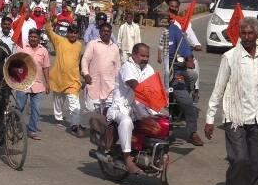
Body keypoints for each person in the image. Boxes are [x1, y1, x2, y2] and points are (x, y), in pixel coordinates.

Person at [205, 17, 258, 185]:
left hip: (257, 119)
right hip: (235, 118)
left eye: (250, 33)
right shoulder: (230, 56)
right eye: (244, 33)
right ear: (239, 34)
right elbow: (218, 88)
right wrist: (210, 118)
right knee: (240, 160)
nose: (247, 37)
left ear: (257, 34)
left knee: (254, 164)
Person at [107, 42, 156, 174]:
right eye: (142, 55)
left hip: (138, 106)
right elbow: (133, 83)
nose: (145, 58)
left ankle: (149, 153)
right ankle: (127, 159)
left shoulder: (148, 68)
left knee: (159, 122)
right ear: (134, 55)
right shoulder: (127, 67)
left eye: (147, 56)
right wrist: (147, 93)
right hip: (120, 107)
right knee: (126, 122)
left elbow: (154, 86)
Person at [167, 18, 203, 147]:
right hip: (162, 76)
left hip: (177, 75)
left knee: (188, 103)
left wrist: (189, 59)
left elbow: (186, 50)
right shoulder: (162, 33)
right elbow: (159, 55)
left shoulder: (176, 31)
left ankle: (192, 132)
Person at [46, 23, 83, 136]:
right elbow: (49, 31)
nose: (73, 35)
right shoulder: (59, 40)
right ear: (67, 33)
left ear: (78, 34)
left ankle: (74, 125)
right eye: (71, 32)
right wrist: (49, 20)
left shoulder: (79, 45)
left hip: (73, 81)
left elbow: (78, 61)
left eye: (75, 33)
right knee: (58, 100)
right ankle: (58, 118)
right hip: (59, 78)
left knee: (75, 104)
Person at [16, 28, 50, 140]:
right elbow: (14, 63)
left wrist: (47, 83)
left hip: (38, 84)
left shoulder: (43, 50)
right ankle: (15, 127)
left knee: (36, 109)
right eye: (31, 36)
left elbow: (45, 68)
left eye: (35, 37)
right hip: (23, 82)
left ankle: (32, 130)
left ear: (39, 38)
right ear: (28, 37)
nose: (33, 39)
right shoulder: (21, 47)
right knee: (19, 107)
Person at [81, 22, 121, 114]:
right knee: (92, 110)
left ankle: (105, 128)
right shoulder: (92, 44)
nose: (106, 33)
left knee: (109, 112)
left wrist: (118, 83)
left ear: (111, 33)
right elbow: (85, 60)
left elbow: (118, 67)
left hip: (110, 85)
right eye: (103, 31)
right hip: (94, 82)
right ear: (99, 32)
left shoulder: (115, 48)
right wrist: (86, 73)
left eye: (108, 31)